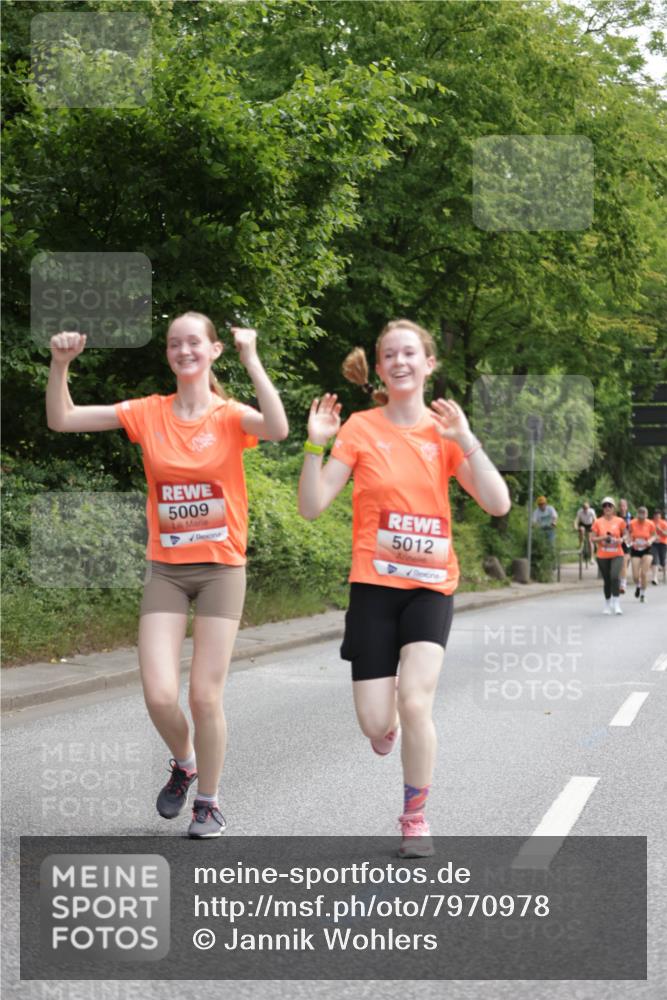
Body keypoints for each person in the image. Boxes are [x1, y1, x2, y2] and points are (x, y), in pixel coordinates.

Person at [46, 313, 289, 837]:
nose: (184, 350)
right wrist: (60, 364)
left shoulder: (228, 415)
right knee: (159, 694)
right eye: (175, 343)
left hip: (221, 567)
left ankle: (209, 801)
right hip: (168, 570)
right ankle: (185, 762)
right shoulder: (149, 413)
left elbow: (279, 427)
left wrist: (253, 357)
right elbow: (62, 419)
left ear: (213, 350)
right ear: (169, 355)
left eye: (194, 342)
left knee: (204, 695)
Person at [298, 319, 510, 858]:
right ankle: (384, 720)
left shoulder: (444, 433)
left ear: (428, 364)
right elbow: (312, 506)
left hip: (431, 587)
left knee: (416, 701)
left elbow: (498, 502)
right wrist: (313, 446)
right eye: (389, 354)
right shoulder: (361, 429)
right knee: (376, 720)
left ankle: (414, 816)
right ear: (381, 365)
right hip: (373, 587)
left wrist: (467, 440)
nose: (399, 361)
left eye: (410, 353)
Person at [590, 497, 626, 615]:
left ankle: (616, 603)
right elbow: (593, 538)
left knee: (614, 576)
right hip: (602, 555)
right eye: (605, 506)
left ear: (613, 508)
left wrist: (621, 539)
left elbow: (627, 535)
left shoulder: (620, 521)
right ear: (602, 508)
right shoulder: (598, 521)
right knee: (607, 580)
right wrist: (604, 538)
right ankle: (607, 603)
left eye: (609, 505)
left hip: (617, 553)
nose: (607, 508)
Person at [626, 507, 657, 603]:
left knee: (643, 573)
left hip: (647, 549)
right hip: (635, 549)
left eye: (644, 513)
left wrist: (650, 541)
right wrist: (630, 542)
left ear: (647, 514)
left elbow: (654, 535)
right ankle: (638, 585)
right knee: (635, 576)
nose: (642, 515)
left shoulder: (650, 523)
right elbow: (628, 534)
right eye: (640, 513)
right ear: (637, 514)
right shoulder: (632, 523)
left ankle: (643, 595)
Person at [617, 498, 632, 594]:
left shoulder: (631, 518)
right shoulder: (616, 517)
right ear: (619, 507)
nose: (622, 508)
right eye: (621, 506)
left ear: (627, 507)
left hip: (628, 543)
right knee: (621, 565)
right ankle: (621, 583)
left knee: (624, 564)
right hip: (618, 542)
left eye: (624, 505)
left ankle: (622, 583)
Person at [651, 508, 667, 585]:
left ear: (660, 515)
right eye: (655, 514)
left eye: (658, 514)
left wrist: (659, 529)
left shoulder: (664, 523)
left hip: (663, 543)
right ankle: (655, 578)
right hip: (653, 543)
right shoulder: (651, 522)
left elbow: (666, 533)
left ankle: (665, 575)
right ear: (653, 516)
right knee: (654, 559)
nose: (657, 516)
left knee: (663, 560)